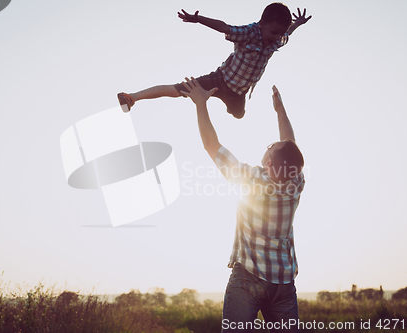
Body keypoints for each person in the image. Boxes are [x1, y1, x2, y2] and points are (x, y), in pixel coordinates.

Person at [180, 77, 305, 332]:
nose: (269, 146)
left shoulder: (251, 180)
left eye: (270, 148)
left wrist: (200, 104)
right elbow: (290, 147)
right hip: (283, 283)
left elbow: (211, 145)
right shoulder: (296, 183)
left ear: (269, 163)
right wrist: (281, 112)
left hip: (248, 278)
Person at [117, 3, 311, 119]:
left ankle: (228, 104)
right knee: (178, 90)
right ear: (262, 24)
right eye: (274, 32)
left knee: (238, 115)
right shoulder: (249, 33)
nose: (277, 37)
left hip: (238, 93)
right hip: (219, 80)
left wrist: (299, 23)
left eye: (280, 34)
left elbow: (288, 32)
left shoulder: (277, 40)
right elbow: (224, 27)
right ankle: (131, 97)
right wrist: (198, 19)